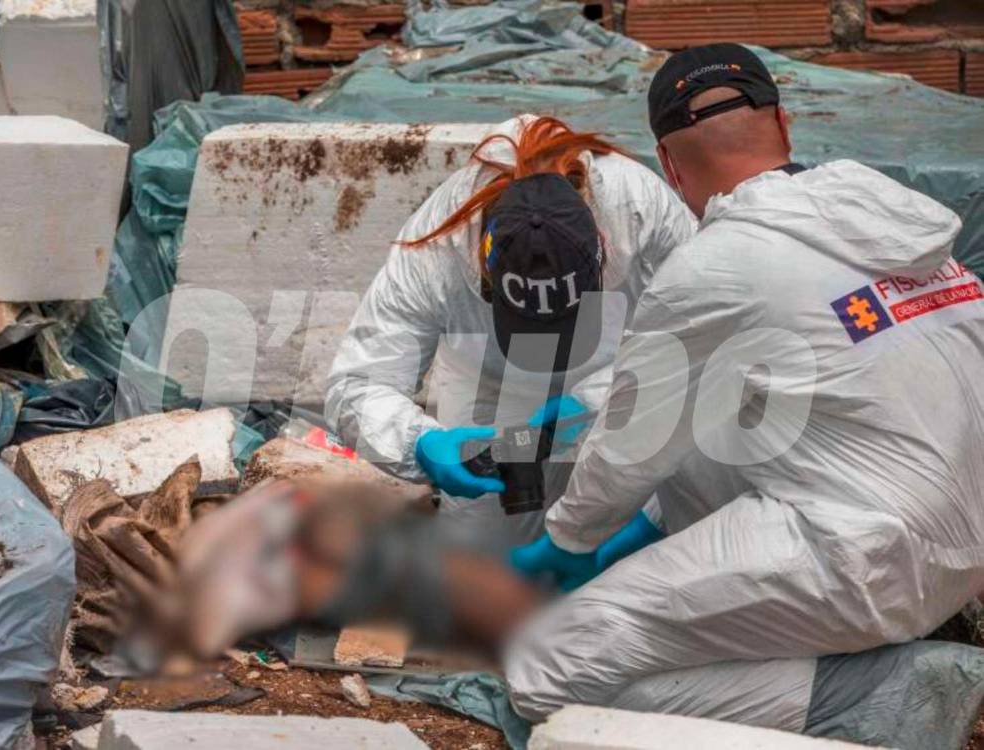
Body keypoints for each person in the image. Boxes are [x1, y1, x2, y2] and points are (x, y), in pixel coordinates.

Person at [504, 43, 984, 738]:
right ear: (784, 125)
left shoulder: (712, 267)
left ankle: (878, 690)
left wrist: (567, 538)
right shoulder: (902, 230)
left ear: (668, 167)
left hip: (866, 559)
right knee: (729, 424)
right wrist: (590, 408)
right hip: (963, 543)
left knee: (544, 663)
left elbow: (629, 450)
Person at [325, 115, 694, 550]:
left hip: (622, 378)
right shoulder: (434, 250)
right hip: (492, 388)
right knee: (479, 573)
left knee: (652, 538)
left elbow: (700, 340)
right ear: (486, 273)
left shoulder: (637, 207)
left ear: (600, 250)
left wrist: (594, 400)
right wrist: (420, 444)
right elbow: (356, 385)